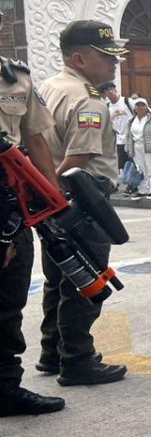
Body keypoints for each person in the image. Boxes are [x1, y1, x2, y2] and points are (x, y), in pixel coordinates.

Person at [37, 20, 127, 386]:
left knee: (58, 275)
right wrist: (67, 198)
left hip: (50, 199)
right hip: (83, 198)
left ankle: (52, 350)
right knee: (86, 280)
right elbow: (77, 161)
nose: (114, 64)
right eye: (106, 57)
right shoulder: (87, 98)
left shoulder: (48, 88)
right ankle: (77, 358)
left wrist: (49, 196)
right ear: (79, 58)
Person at [0, 27, 67, 416]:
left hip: (9, 205)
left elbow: (37, 141)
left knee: (8, 303)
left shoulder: (16, 78)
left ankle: (5, 387)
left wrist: (54, 203)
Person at [127, 97, 151, 198]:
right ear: (134, 108)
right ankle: (143, 189)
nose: (140, 107)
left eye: (142, 105)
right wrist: (128, 148)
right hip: (136, 146)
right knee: (140, 169)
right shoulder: (132, 120)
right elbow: (129, 136)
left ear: (146, 107)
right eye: (138, 105)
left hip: (148, 146)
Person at [99, 82, 134, 172]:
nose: (110, 92)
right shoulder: (107, 107)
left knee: (134, 162)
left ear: (115, 90)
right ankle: (127, 182)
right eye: (107, 91)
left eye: (111, 89)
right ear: (105, 94)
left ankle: (135, 183)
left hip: (131, 138)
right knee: (121, 165)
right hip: (118, 140)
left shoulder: (127, 101)